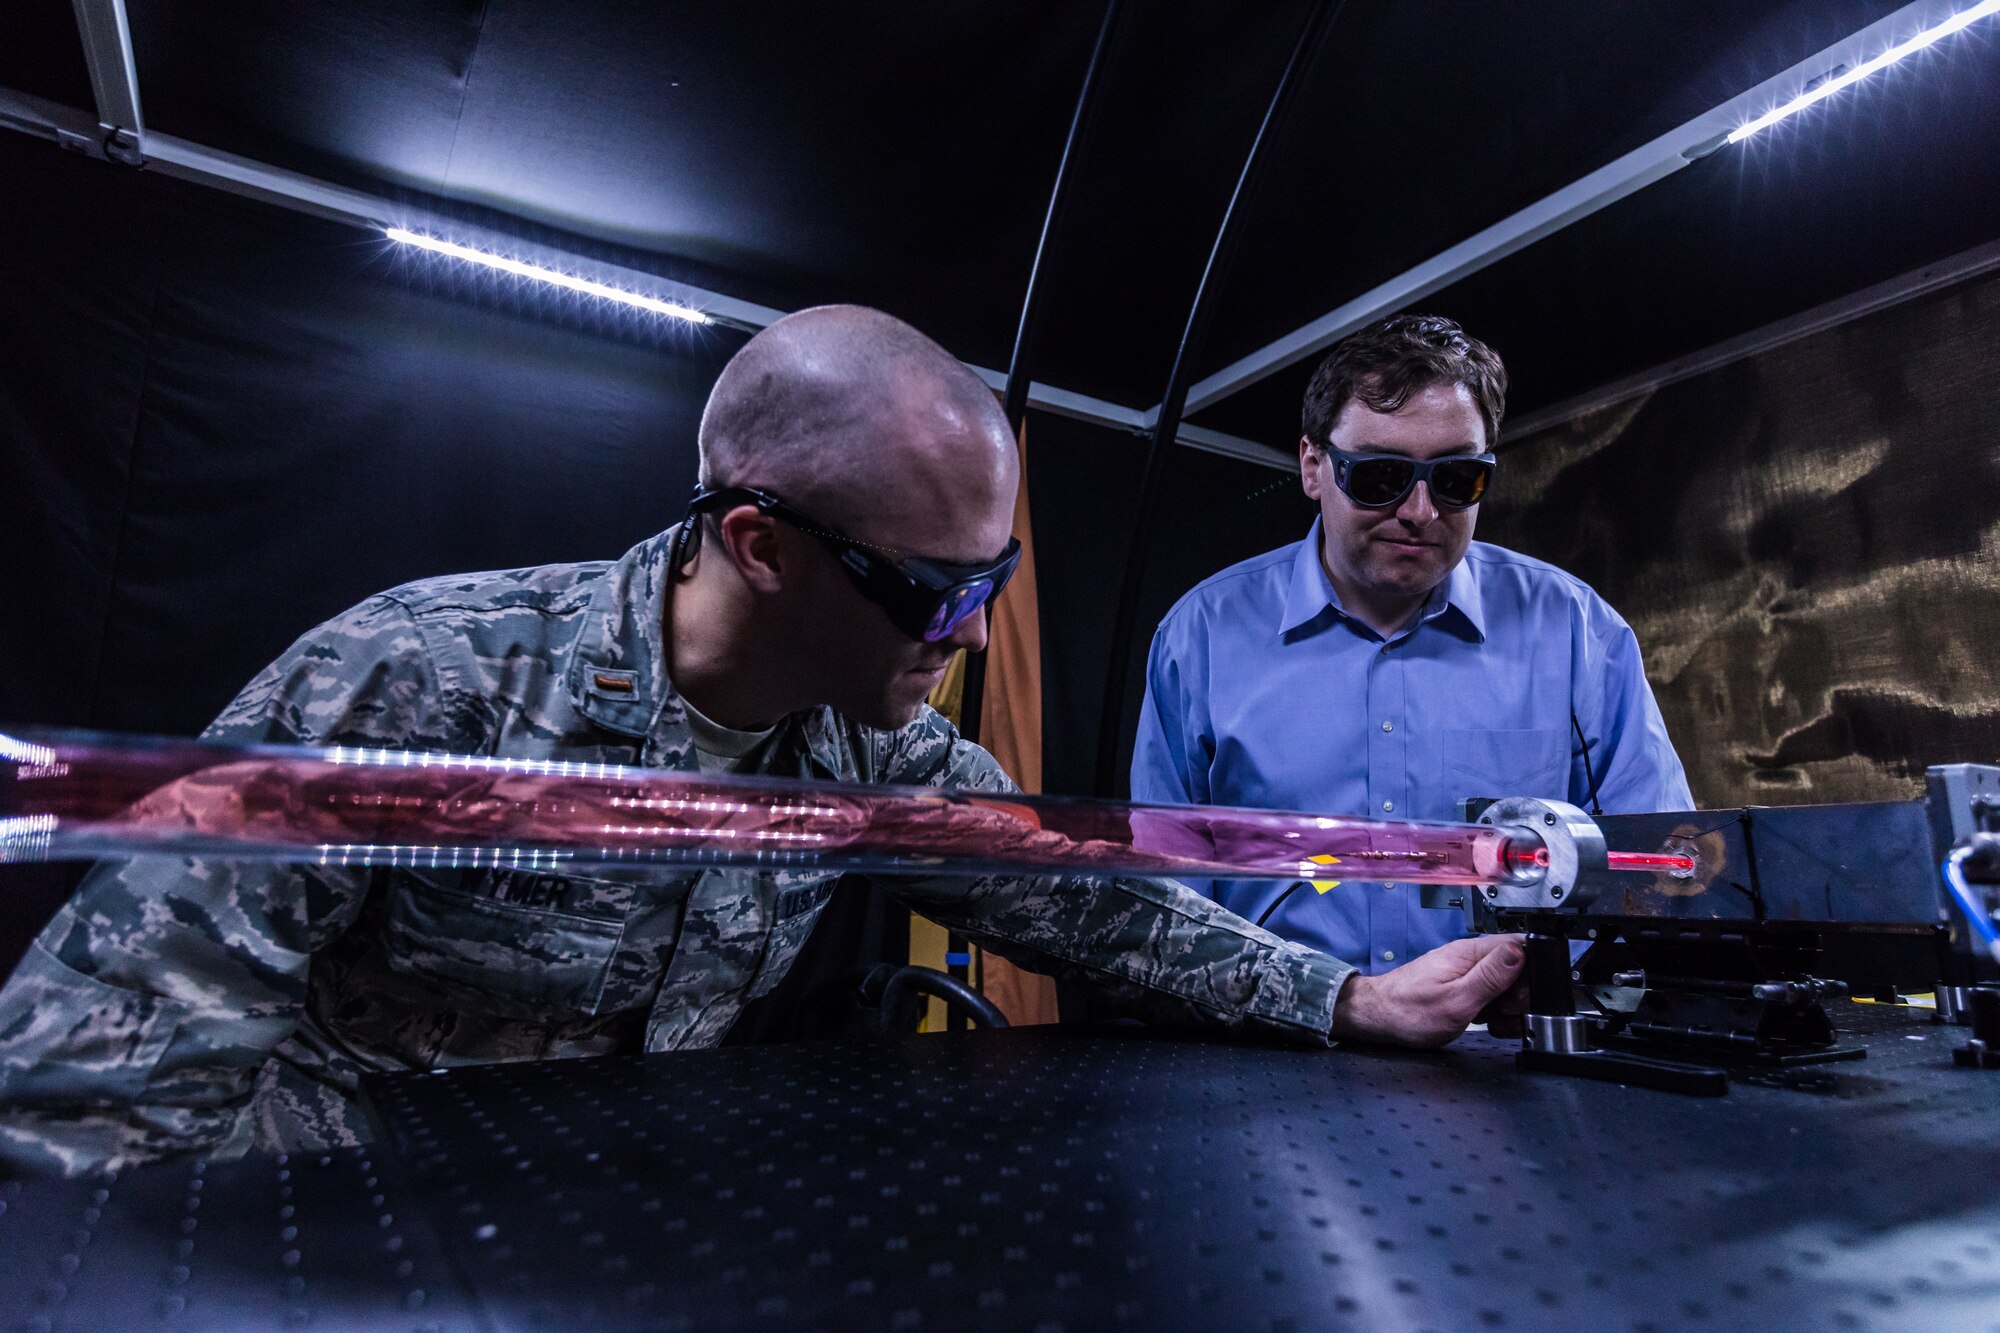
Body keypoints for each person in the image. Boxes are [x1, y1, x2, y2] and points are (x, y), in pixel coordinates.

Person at [0, 307, 1530, 1175]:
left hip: (594, 1227)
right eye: (938, 595)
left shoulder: (875, 754)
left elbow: (1094, 900)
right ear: (762, 543)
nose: (974, 640)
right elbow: (83, 1084)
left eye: (990, 586)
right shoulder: (416, 681)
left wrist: (1349, 1001)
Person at [1132, 314, 1691, 972]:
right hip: (1274, 1050)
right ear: (1314, 466)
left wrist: (1570, 978)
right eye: (1379, 477)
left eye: (1457, 480)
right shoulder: (1201, 639)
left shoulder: (1578, 635)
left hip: (1514, 1050)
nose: (1420, 511)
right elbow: (1165, 907)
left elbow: (1663, 869)